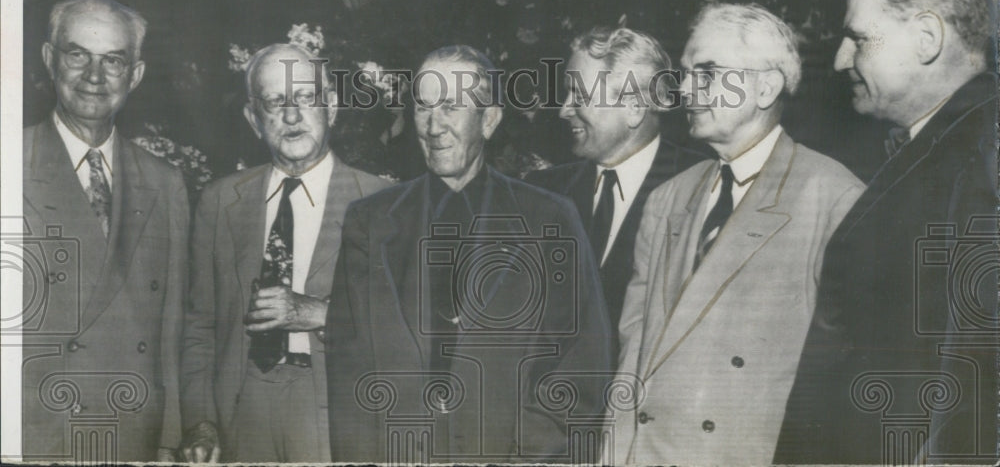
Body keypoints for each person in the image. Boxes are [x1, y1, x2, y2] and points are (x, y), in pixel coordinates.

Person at [325, 45, 613, 463]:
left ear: (490, 119)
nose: (433, 126)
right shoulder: (369, 221)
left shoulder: (549, 219)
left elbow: (584, 360)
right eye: (423, 107)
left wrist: (525, 455)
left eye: (450, 107)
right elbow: (348, 371)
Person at [776, 0, 999, 465]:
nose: (838, 59)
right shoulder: (940, 144)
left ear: (927, 37)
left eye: (858, 38)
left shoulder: (984, 150)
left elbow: (972, 376)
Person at [612, 4, 864, 465]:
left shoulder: (834, 199)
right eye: (685, 74)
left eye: (706, 73)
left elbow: (838, 388)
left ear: (765, 87)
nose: (685, 90)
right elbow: (632, 358)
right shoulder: (667, 199)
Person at [179, 44, 391, 462]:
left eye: (307, 97)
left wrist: (317, 313)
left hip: (337, 410)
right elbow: (199, 325)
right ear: (253, 119)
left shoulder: (382, 202)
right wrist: (201, 420)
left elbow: (405, 329)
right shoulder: (220, 202)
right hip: (241, 410)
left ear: (331, 106)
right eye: (275, 101)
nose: (292, 116)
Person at [21, 0, 189, 462]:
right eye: (78, 55)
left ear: (134, 75)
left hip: (134, 432)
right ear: (50, 60)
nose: (94, 77)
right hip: (36, 434)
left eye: (113, 60)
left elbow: (171, 329)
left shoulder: (165, 182)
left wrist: (169, 439)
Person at [526, 27, 707, 342]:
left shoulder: (702, 187)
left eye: (579, 96)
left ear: (634, 108)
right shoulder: (543, 190)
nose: (563, 109)